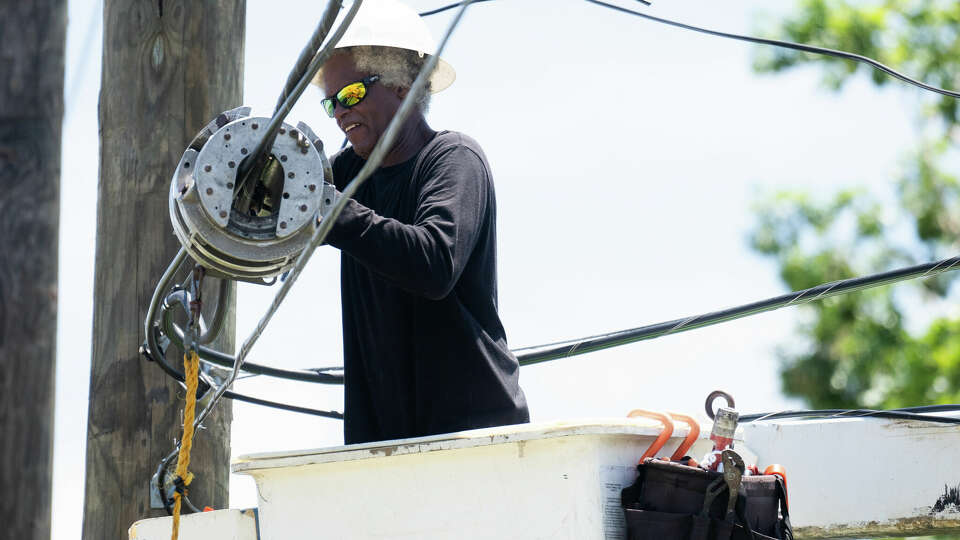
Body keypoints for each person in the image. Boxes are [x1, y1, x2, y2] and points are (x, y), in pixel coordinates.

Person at [314, 0, 529, 444]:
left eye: (351, 94)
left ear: (402, 84)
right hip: (383, 442)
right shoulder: (348, 175)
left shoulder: (453, 160)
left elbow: (433, 263)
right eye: (331, 103)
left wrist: (328, 208)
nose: (339, 112)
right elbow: (276, 230)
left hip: (473, 439)